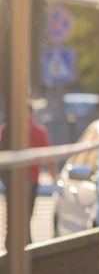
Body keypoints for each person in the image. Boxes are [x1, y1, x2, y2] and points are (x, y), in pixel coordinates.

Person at [0, 102, 57, 246]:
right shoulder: (38, 130)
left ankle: (11, 242)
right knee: (27, 213)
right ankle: (26, 243)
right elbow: (49, 156)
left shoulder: (7, 128)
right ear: (33, 114)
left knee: (12, 212)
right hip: (31, 178)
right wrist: (53, 176)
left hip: (11, 178)